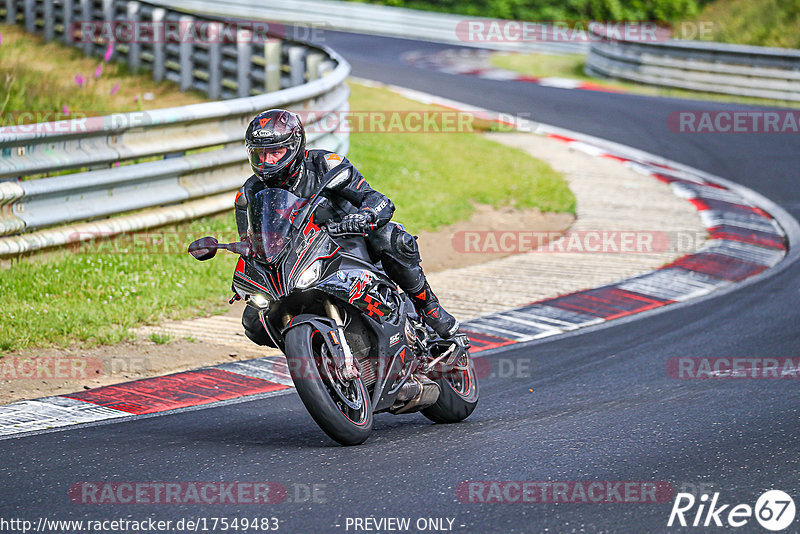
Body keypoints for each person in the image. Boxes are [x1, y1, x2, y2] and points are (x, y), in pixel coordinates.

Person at [236, 109, 460, 346]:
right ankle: (312, 351)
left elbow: (376, 199)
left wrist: (366, 215)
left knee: (391, 237)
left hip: (347, 245)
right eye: (259, 154)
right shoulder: (249, 193)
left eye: (275, 153)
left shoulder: (325, 164)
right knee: (254, 322)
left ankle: (429, 307)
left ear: (295, 147)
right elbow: (254, 244)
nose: (266, 162)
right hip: (297, 261)